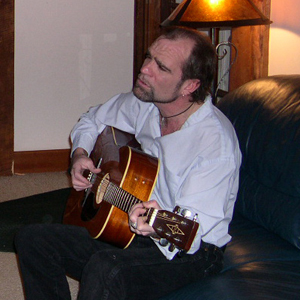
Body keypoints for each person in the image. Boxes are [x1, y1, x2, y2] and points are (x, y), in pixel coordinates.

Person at [15, 27, 241, 300]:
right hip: (134, 226)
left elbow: (191, 234)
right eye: (148, 57)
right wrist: (79, 154)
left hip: (191, 253)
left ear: (190, 86)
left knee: (105, 268)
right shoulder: (145, 104)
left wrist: (156, 226)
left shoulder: (215, 145)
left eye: (161, 67)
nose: (144, 69)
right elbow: (92, 118)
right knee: (32, 239)